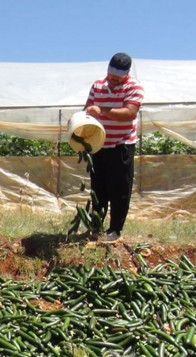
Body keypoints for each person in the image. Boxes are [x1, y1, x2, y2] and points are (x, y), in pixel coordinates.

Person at [84, 52, 144, 242]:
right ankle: (96, 226)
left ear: (126, 74)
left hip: (121, 145)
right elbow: (87, 109)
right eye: (111, 75)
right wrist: (88, 113)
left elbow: (129, 113)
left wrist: (102, 110)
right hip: (98, 145)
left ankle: (115, 229)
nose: (114, 79)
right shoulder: (97, 86)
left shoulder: (134, 87)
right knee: (98, 188)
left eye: (118, 77)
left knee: (119, 189)